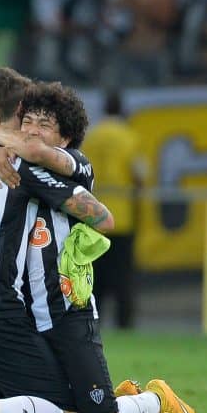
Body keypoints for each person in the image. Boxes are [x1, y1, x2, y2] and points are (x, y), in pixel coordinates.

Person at [0, 79, 199, 413]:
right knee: (37, 411)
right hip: (26, 311)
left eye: (44, 125)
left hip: (66, 310)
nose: (33, 130)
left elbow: (100, 215)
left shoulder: (71, 162)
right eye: (28, 121)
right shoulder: (15, 163)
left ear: (65, 139)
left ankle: (154, 399)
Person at [79, 90, 146, 329]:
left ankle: (92, 320)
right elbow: (139, 175)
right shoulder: (130, 137)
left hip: (93, 215)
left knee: (95, 274)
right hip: (122, 216)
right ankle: (124, 323)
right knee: (123, 276)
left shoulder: (91, 137)